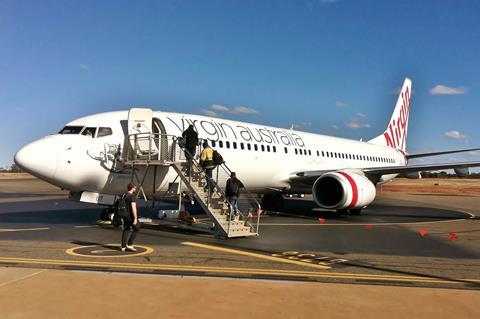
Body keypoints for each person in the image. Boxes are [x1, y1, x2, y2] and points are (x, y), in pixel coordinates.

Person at [121, 183, 141, 252]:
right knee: (137, 228)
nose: (135, 189)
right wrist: (135, 218)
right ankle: (129, 244)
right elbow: (133, 208)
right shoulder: (132, 196)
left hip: (125, 215)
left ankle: (123, 246)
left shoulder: (124, 195)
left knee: (126, 229)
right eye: (135, 188)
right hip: (130, 216)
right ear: (132, 188)